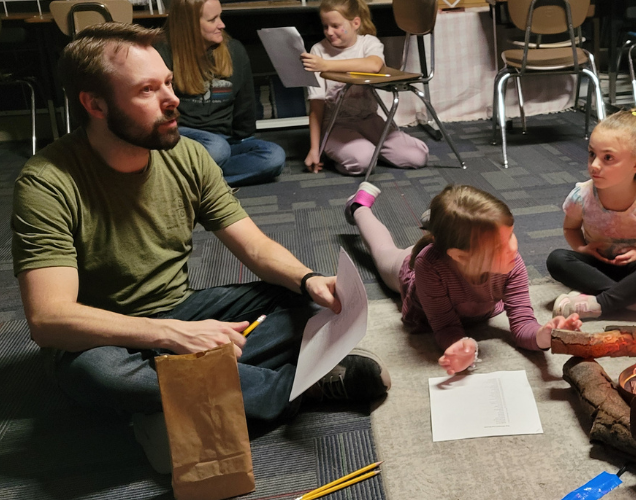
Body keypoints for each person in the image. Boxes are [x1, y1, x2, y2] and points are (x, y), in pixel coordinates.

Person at [12, 24, 388, 472]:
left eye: (168, 82)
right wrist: (172, 335)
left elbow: (253, 246)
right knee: (99, 375)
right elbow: (49, 320)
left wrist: (308, 281)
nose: (172, 99)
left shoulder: (188, 155)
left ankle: (180, 396)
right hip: (104, 338)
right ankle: (295, 388)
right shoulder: (47, 182)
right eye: (147, 90)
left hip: (179, 308)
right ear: (95, 104)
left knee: (301, 302)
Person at [344, 182, 582, 375]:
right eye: (499, 246)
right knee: (382, 250)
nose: (513, 248)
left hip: (449, 255)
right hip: (411, 271)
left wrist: (545, 334)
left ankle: (439, 222)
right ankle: (359, 207)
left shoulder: (511, 263)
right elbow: (446, 326)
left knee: (453, 229)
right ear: (460, 255)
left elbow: (522, 325)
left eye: (511, 235)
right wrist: (457, 345)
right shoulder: (428, 267)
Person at [547, 106, 636, 322]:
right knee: (557, 259)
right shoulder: (582, 195)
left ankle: (598, 303)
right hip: (597, 265)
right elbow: (570, 228)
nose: (594, 165)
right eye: (592, 154)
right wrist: (582, 248)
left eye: (608, 158)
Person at [156, 0, 285, 186]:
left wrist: (243, 137)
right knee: (217, 149)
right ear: (189, 24)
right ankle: (199, 178)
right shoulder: (161, 53)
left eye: (220, 16)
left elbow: (245, 105)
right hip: (181, 139)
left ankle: (193, 182)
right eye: (212, 19)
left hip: (225, 140)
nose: (222, 25)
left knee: (274, 157)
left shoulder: (234, 50)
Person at [301, 0, 428, 176]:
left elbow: (374, 65)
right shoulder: (318, 51)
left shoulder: (369, 43)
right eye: (325, 26)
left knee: (417, 157)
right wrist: (314, 149)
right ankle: (344, 150)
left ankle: (366, 148)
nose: (329, 32)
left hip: (369, 120)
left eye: (336, 26)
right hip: (336, 125)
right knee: (364, 162)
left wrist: (326, 65)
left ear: (355, 23)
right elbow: (316, 105)